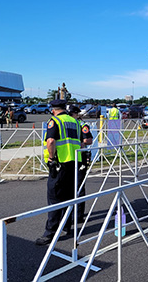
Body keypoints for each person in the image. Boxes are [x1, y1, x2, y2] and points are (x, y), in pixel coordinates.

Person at [36, 99, 83, 246]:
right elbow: (80, 142)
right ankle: (66, 226)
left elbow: (50, 141)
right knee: (69, 196)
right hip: (74, 162)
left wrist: (51, 158)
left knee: (54, 198)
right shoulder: (74, 122)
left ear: (53, 109)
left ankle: (50, 233)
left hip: (59, 164)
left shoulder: (54, 121)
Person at [68, 105, 93, 223]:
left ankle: (78, 215)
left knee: (78, 187)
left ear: (76, 114)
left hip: (80, 159)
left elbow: (89, 140)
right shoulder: (66, 125)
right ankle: (68, 213)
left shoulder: (82, 125)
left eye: (71, 113)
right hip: (68, 158)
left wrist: (79, 143)